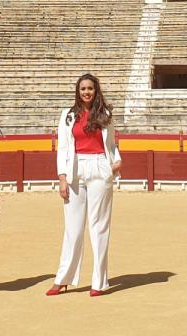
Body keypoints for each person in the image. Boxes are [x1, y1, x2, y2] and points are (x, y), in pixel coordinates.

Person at [47, 73, 122, 297]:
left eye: (90, 88)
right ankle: (63, 278)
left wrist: (116, 161)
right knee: (73, 227)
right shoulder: (68, 116)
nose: (86, 92)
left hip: (100, 166)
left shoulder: (106, 114)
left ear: (96, 90)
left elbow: (111, 145)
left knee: (99, 226)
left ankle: (99, 281)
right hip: (75, 170)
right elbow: (62, 148)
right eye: (82, 89)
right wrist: (62, 177)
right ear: (77, 92)